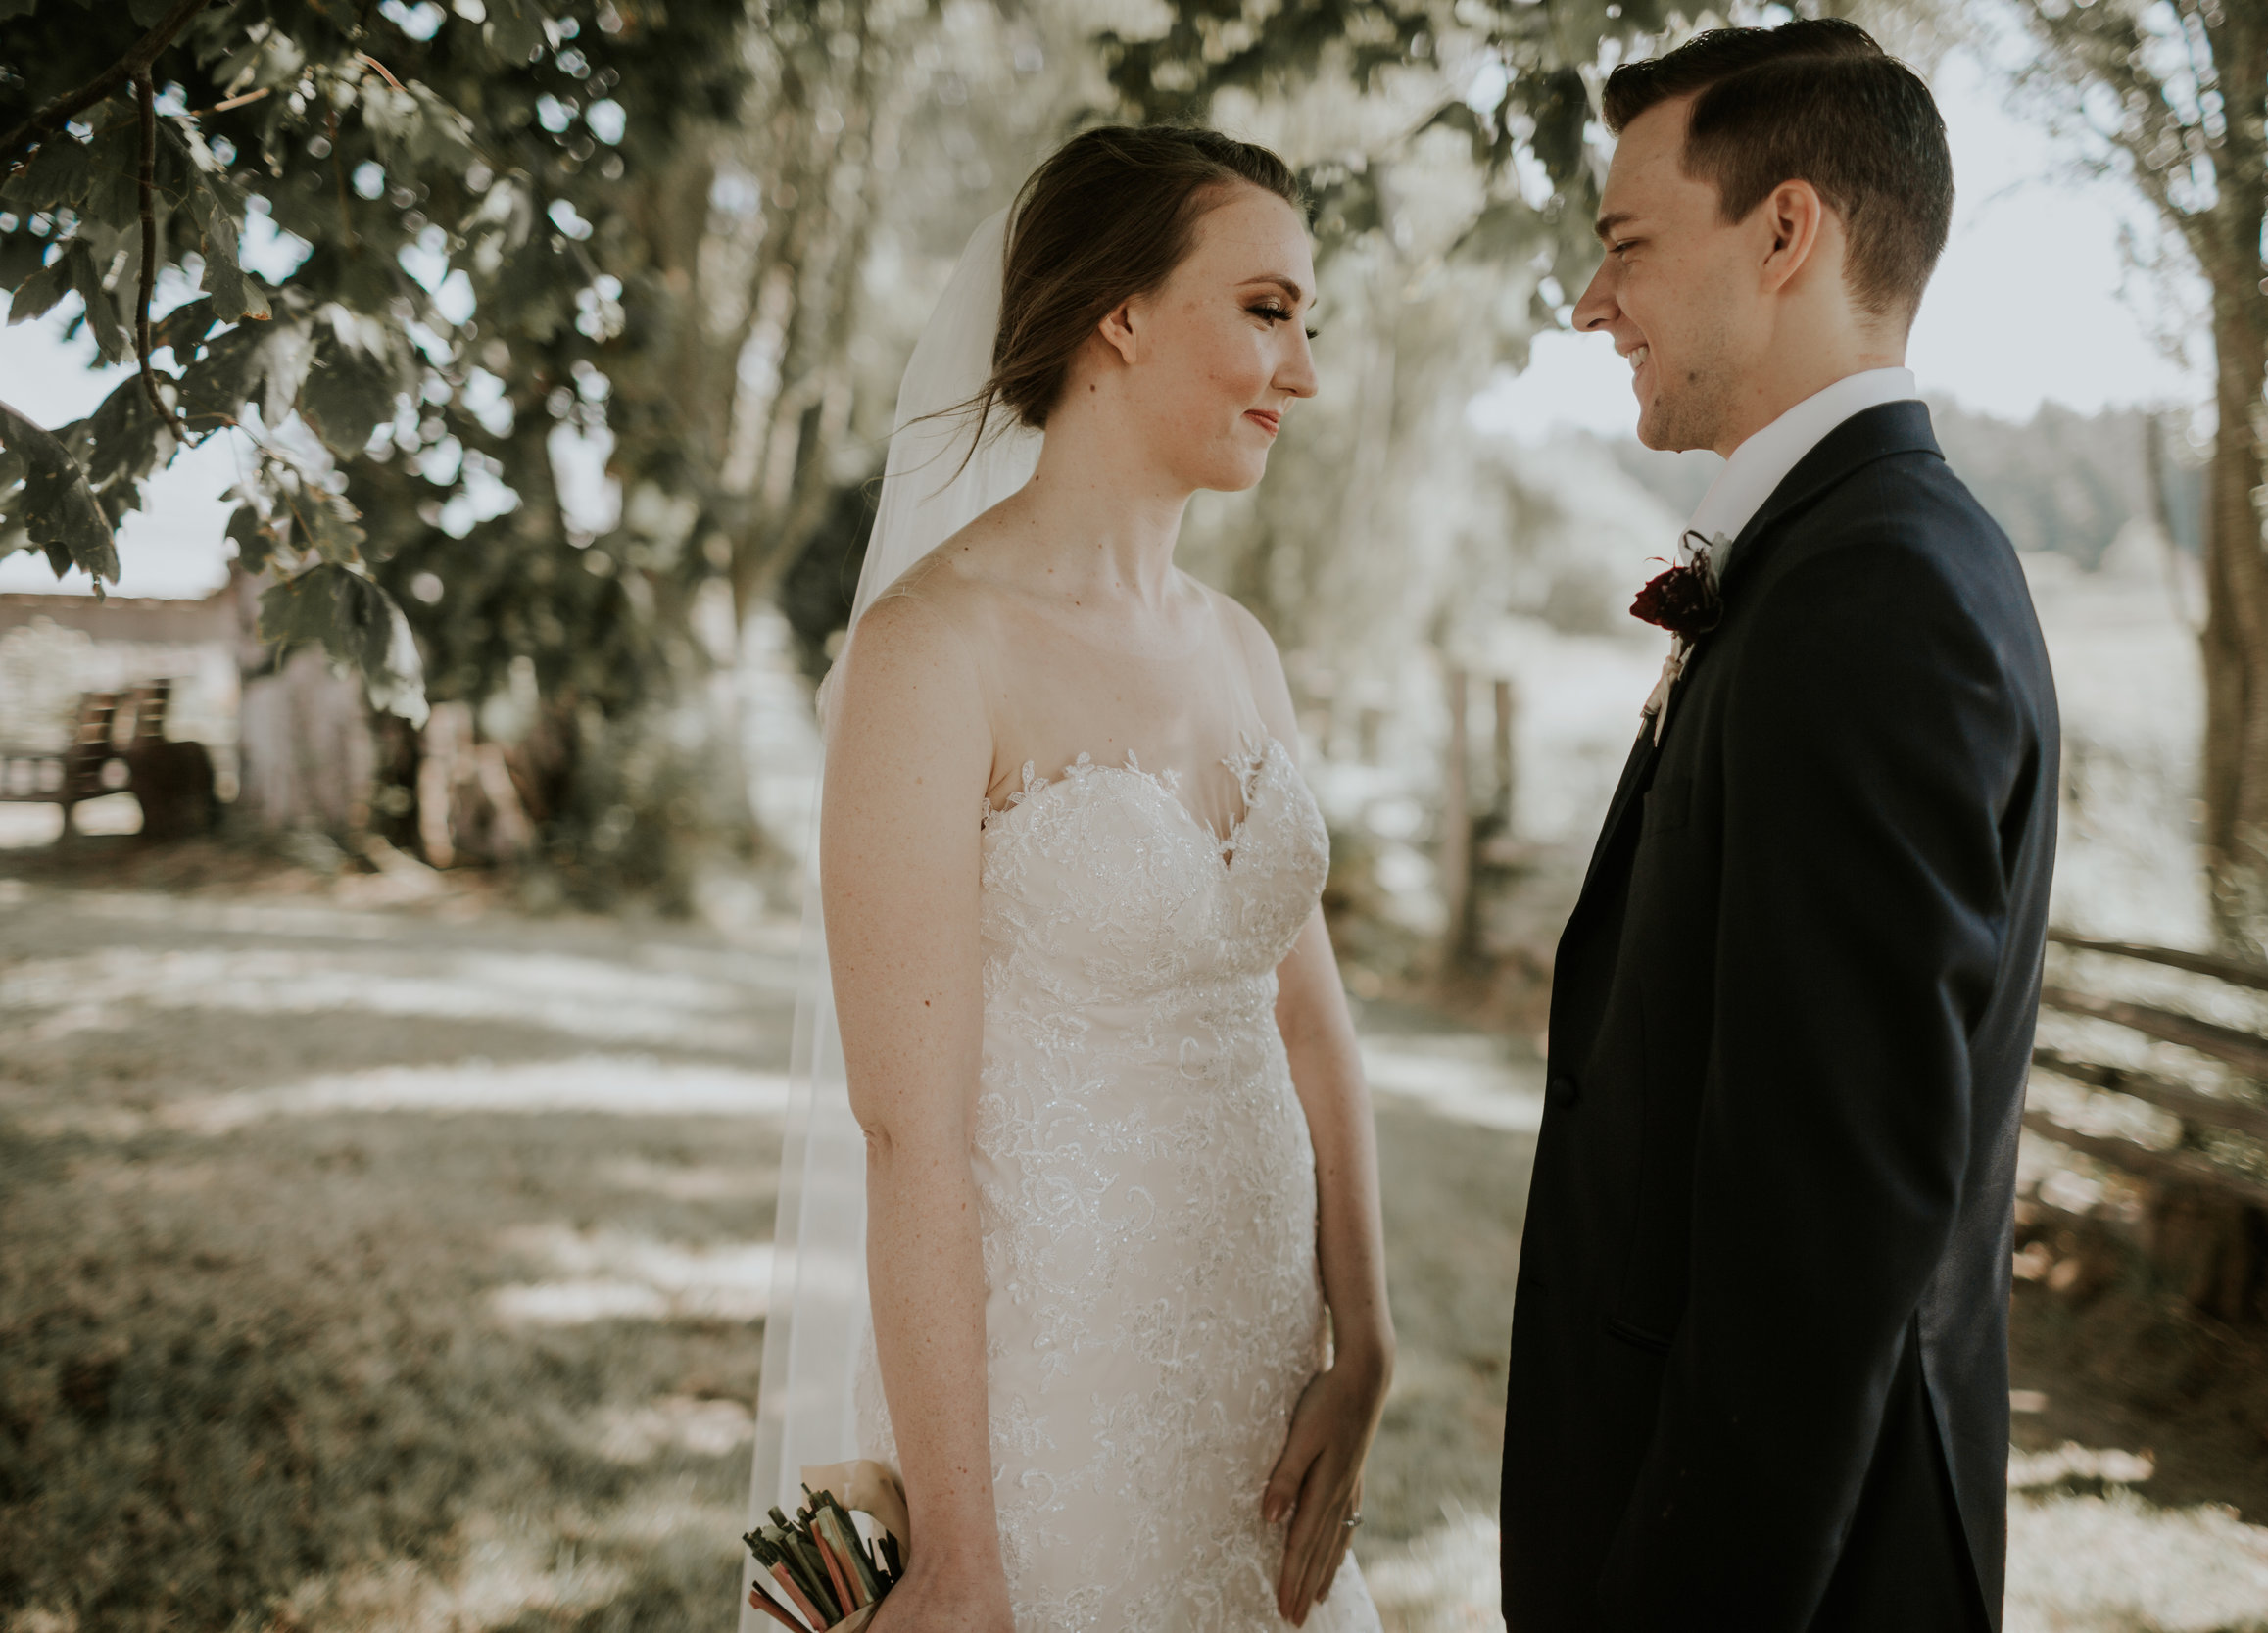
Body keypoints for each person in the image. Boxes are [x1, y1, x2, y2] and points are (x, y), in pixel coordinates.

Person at [1501, 21, 2058, 1633]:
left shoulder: (1875, 596)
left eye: (1624, 246)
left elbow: (1823, 1244)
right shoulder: (1849, 559)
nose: (1591, 303)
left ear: (1786, 233)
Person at [804, 126, 1392, 1633]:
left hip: (1265, 1397)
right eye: (1267, 310)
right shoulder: (935, 653)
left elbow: (1311, 1027)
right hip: (1050, 1400)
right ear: (1118, 317)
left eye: (1306, 322)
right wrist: (962, 1563)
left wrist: (1367, 1342)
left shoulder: (1242, 648)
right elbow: (903, 1136)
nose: (1303, 371)